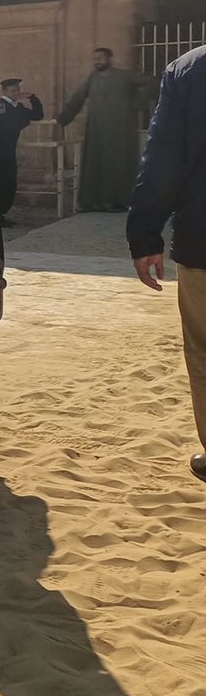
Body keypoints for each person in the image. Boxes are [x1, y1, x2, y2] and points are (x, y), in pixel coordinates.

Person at [126, 43, 206, 484]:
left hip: (202, 239)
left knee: (204, 350)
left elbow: (163, 160)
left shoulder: (190, 70)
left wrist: (144, 234)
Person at [56, 48, 152, 212]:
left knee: (118, 164)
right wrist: (63, 119)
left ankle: (116, 202)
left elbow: (153, 82)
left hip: (120, 130)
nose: (97, 61)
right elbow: (77, 98)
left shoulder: (125, 76)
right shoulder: (92, 78)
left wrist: (138, 103)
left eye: (100, 58)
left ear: (110, 59)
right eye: (94, 59)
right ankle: (91, 202)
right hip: (97, 130)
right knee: (94, 163)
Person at [0, 78, 44, 226]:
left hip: (9, 150)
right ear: (4, 92)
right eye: (12, 91)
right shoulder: (0, 106)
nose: (16, 93)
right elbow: (4, 125)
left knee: (9, 182)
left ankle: (1, 213)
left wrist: (32, 98)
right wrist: (21, 122)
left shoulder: (18, 107)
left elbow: (38, 115)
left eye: (17, 90)